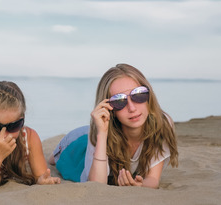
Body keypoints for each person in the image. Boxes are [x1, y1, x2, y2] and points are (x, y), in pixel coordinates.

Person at [49, 64, 178, 188]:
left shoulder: (162, 124)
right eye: (119, 101)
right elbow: (97, 185)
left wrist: (140, 185)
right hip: (81, 141)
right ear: (110, 108)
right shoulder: (99, 132)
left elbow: (153, 179)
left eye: (138, 94)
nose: (132, 108)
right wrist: (102, 134)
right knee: (58, 160)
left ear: (149, 96)